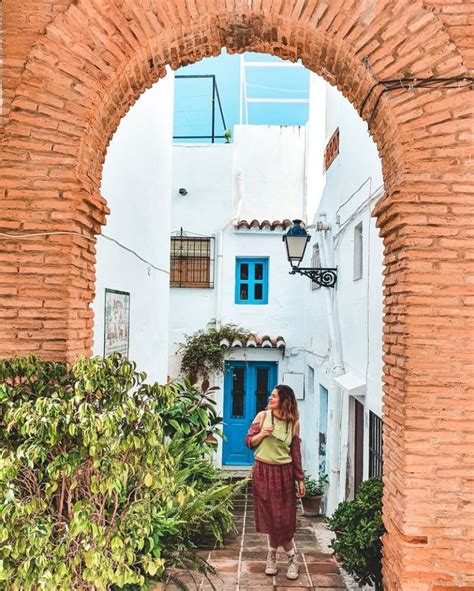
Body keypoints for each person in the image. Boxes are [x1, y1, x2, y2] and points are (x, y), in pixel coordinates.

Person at [244, 384, 305, 580]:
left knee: (283, 520)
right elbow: (248, 442)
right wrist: (262, 433)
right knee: (271, 518)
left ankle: (287, 558)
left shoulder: (293, 423)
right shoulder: (262, 417)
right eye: (270, 395)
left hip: (284, 473)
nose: (270, 399)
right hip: (262, 471)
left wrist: (300, 479)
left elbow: (295, 452)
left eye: (274, 396)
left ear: (284, 400)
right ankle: (277, 557)